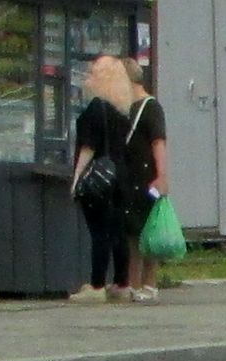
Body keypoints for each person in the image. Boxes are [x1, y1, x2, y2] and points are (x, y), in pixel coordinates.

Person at [69, 56, 132, 303]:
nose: (88, 76)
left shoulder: (96, 107)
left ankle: (96, 285)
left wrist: (76, 179)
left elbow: (88, 148)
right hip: (120, 175)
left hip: (99, 177)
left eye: (93, 72)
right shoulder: (121, 110)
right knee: (117, 231)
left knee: (99, 232)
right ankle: (121, 283)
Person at [117, 57, 168, 304]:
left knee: (148, 230)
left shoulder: (151, 107)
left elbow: (158, 141)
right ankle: (132, 283)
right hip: (128, 176)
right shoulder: (125, 107)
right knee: (130, 232)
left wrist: (161, 175)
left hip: (147, 176)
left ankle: (149, 284)